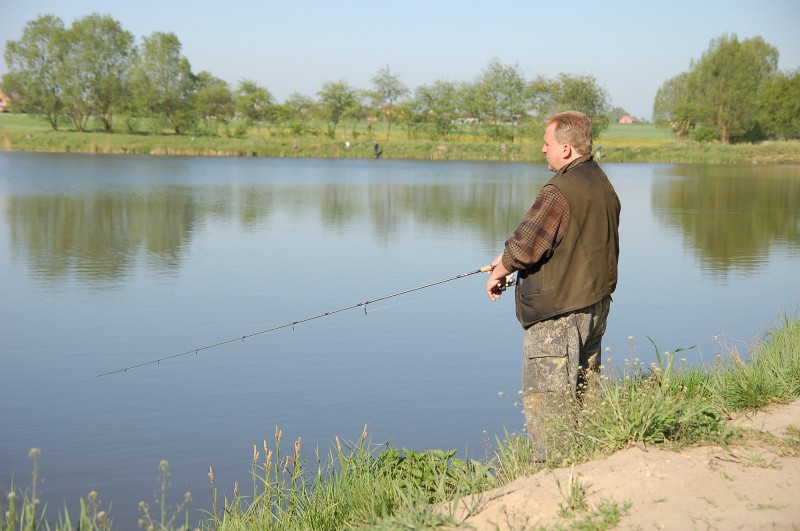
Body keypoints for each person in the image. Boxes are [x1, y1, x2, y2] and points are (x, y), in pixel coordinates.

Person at [485, 111, 621, 463]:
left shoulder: (559, 191)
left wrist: (499, 269)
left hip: (558, 317)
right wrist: (509, 267)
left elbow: (525, 246)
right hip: (594, 307)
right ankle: (590, 470)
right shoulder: (601, 182)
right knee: (586, 405)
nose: (541, 149)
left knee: (550, 415)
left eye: (546, 143)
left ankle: (550, 487)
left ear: (565, 148)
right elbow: (571, 247)